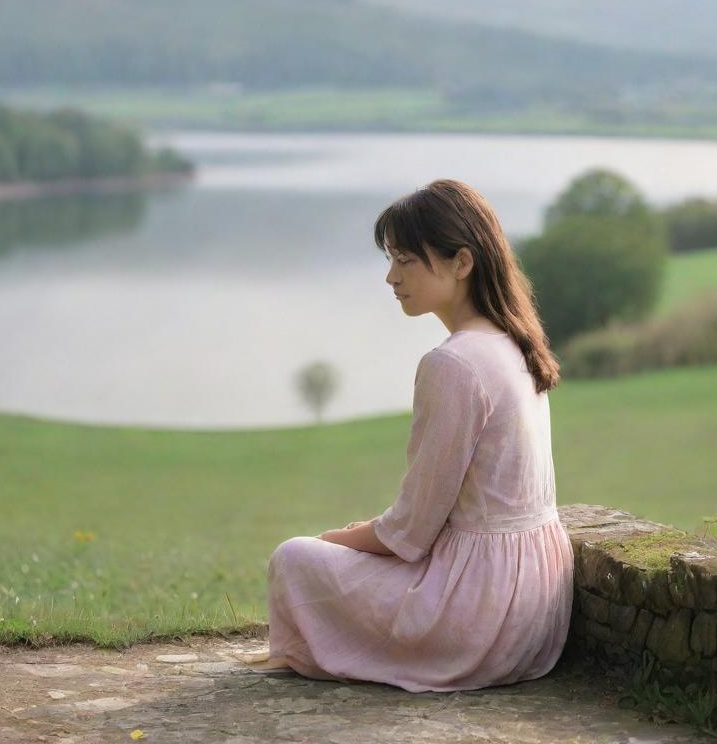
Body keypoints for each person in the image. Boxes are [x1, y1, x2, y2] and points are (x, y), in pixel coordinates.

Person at [239, 178, 575, 691]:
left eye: (406, 260)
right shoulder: (517, 344)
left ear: (462, 262)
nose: (391, 277)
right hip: (536, 618)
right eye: (391, 259)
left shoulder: (454, 363)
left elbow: (413, 529)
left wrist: (340, 538)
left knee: (296, 557)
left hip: (476, 616)